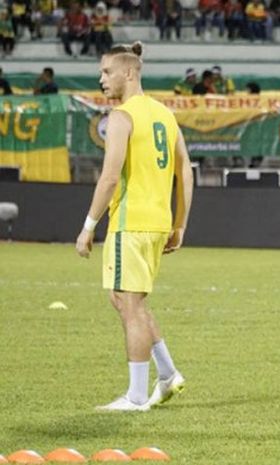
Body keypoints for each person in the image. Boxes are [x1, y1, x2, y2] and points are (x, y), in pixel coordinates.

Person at [75, 41, 194, 411]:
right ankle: (168, 373)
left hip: (131, 222)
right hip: (157, 223)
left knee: (129, 303)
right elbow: (185, 169)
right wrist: (180, 223)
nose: (101, 79)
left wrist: (88, 225)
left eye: (106, 72)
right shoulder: (164, 114)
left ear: (129, 72)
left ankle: (137, 396)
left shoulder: (122, 117)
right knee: (126, 300)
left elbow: (110, 177)